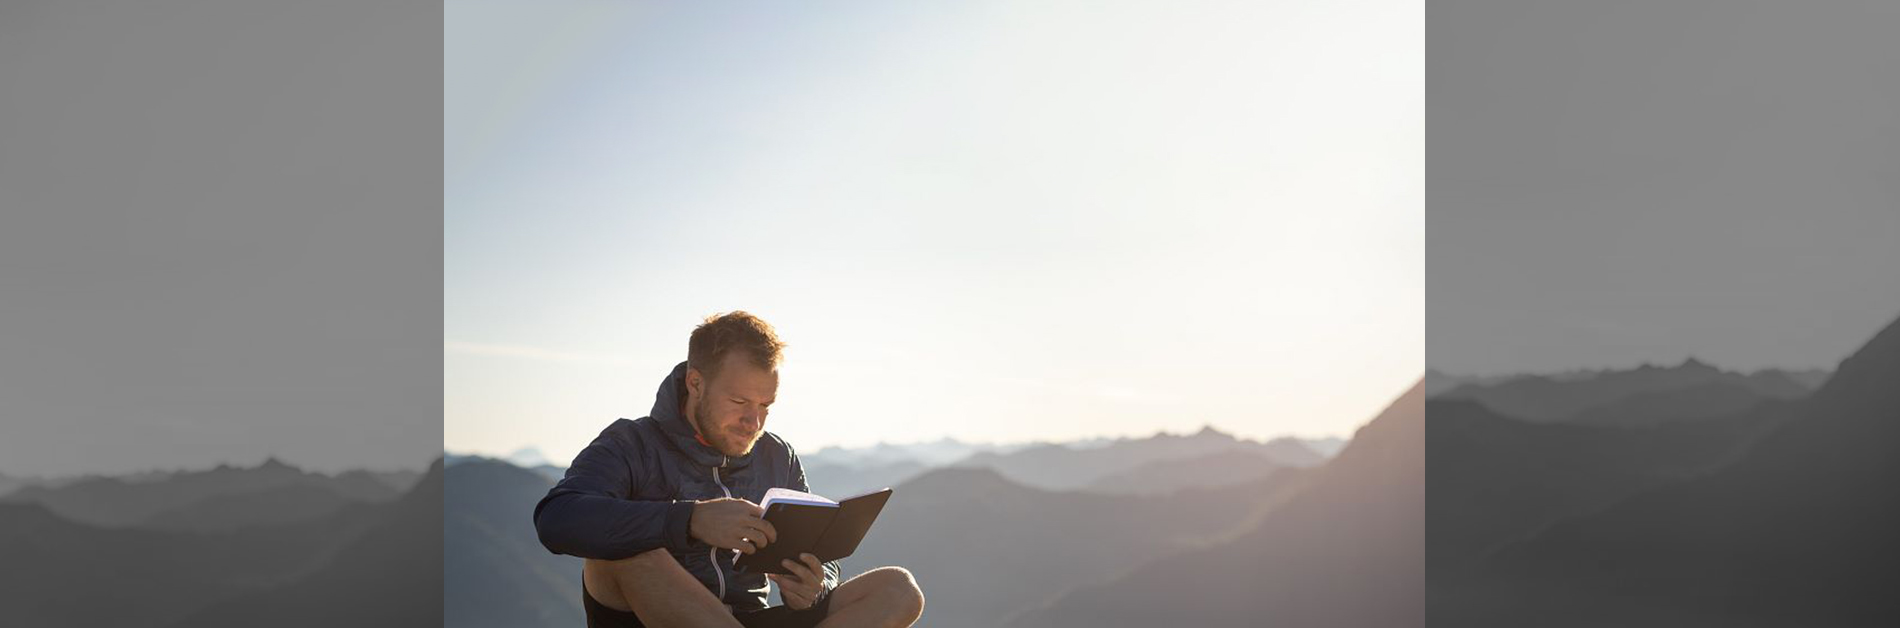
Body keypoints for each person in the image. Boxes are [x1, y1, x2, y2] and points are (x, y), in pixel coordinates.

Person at [534, 311, 925, 628]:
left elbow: (820, 552)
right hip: (653, 620)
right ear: (696, 383)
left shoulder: (777, 456)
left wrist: (815, 584)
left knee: (897, 589)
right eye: (739, 401)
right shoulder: (632, 443)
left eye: (765, 406)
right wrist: (690, 520)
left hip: (754, 618)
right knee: (623, 554)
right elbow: (556, 519)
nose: (753, 422)